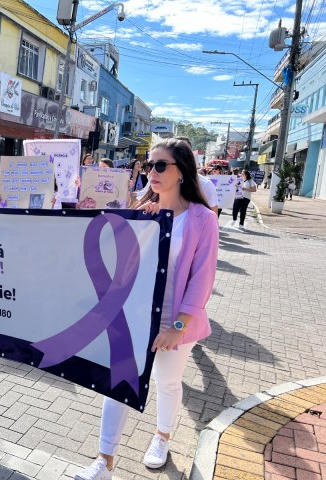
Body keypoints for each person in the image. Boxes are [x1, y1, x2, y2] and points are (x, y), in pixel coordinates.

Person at [74, 138, 218, 480]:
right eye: (150, 164)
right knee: (118, 383)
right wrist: (140, 224)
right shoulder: (141, 210)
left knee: (167, 382)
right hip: (135, 317)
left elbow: (203, 279)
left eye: (160, 165)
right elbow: (113, 257)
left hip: (175, 322)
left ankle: (162, 437)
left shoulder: (202, 219)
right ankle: (104, 461)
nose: (151, 172)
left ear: (181, 171)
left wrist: (178, 327)